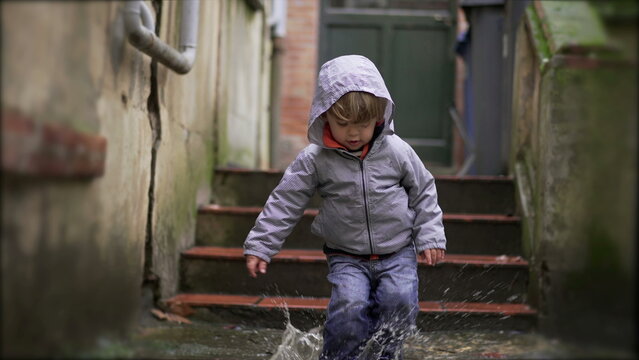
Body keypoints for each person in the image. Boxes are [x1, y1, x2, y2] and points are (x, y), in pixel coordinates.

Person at [243, 55, 446, 360]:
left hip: (398, 250)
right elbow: (286, 200)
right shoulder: (315, 159)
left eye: (363, 125)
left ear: (378, 118)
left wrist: (430, 235)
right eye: (343, 124)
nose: (353, 133)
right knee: (349, 308)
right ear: (325, 117)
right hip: (347, 255)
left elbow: (423, 190)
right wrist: (261, 244)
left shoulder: (396, 150)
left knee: (400, 301)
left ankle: (385, 355)